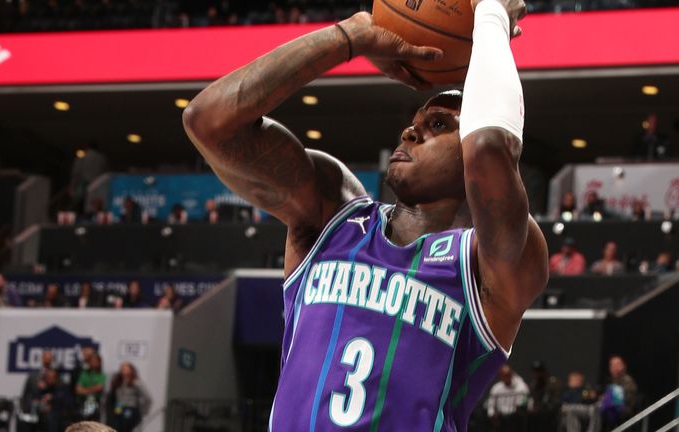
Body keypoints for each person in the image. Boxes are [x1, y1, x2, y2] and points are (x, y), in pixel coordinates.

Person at [182, 0, 548, 428]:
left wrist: (490, 14)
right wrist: (351, 37)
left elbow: (489, 149)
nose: (411, 132)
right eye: (414, 123)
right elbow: (207, 121)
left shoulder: (491, 263)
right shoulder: (331, 210)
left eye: (438, 125)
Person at [107, 362, 151, 432]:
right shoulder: (118, 382)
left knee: (127, 427)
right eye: (122, 368)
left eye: (125, 368)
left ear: (131, 370)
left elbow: (147, 397)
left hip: (130, 408)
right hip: (118, 408)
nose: (123, 370)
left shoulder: (136, 382)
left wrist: (144, 411)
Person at [486, 365, 530, 430]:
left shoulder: (520, 387)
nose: (507, 377)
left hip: (515, 417)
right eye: (504, 375)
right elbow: (490, 406)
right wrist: (492, 415)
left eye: (508, 375)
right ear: (500, 376)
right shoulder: (496, 388)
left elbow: (522, 404)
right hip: (500, 418)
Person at [70, 141, 108, 214]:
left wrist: (72, 186)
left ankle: (80, 218)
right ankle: (94, 219)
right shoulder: (102, 158)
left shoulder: (82, 158)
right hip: (97, 186)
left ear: (87, 148)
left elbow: (76, 173)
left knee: (81, 204)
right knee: (95, 205)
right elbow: (106, 174)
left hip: (84, 185)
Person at [601, 355, 638, 430]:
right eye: (612, 365)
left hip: (622, 410)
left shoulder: (628, 381)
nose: (614, 367)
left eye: (617, 365)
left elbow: (624, 400)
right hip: (608, 408)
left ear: (623, 366)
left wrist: (608, 398)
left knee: (597, 411)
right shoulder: (610, 381)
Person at [527, 361, 561, 429]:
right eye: (535, 372)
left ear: (544, 372)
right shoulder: (534, 385)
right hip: (538, 414)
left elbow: (555, 402)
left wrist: (541, 408)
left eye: (539, 372)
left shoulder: (552, 383)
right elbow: (533, 400)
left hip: (551, 413)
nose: (537, 374)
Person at [76, 353, 106, 421]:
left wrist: (85, 390)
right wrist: (92, 389)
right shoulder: (84, 374)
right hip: (83, 401)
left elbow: (99, 388)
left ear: (99, 363)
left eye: (95, 361)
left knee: (93, 421)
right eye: (91, 361)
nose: (93, 363)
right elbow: (78, 390)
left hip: (96, 402)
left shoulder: (101, 375)